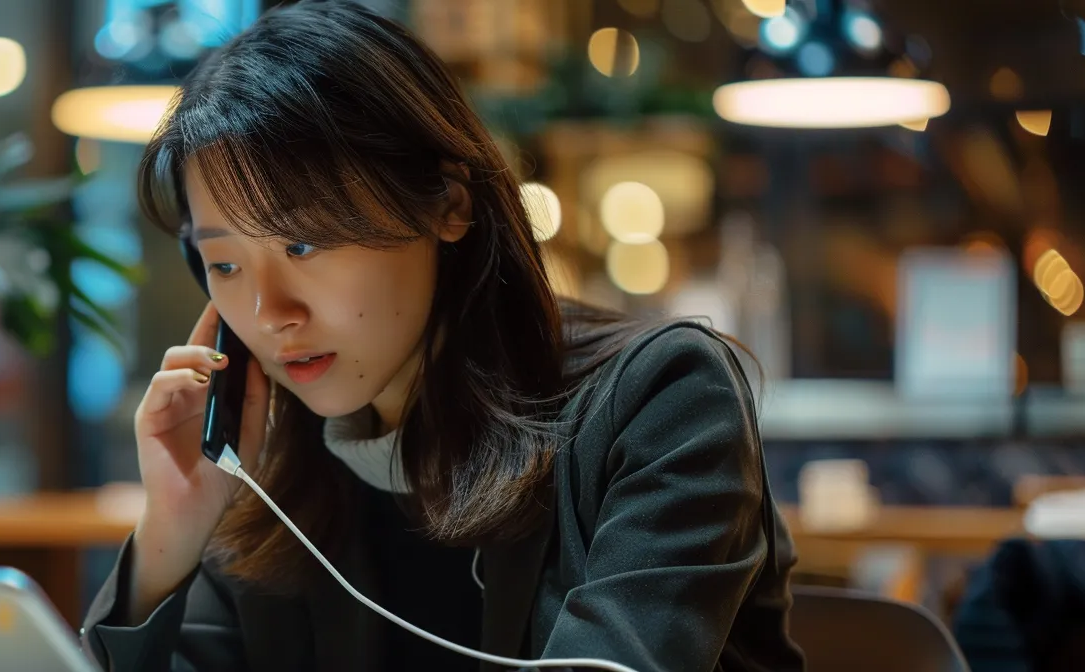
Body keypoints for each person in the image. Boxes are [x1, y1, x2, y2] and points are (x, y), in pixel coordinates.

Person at [78, 2, 804, 670]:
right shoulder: (275, 473)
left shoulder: (663, 399)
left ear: (449, 206)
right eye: (226, 264)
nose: (269, 312)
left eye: (302, 245)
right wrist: (171, 534)